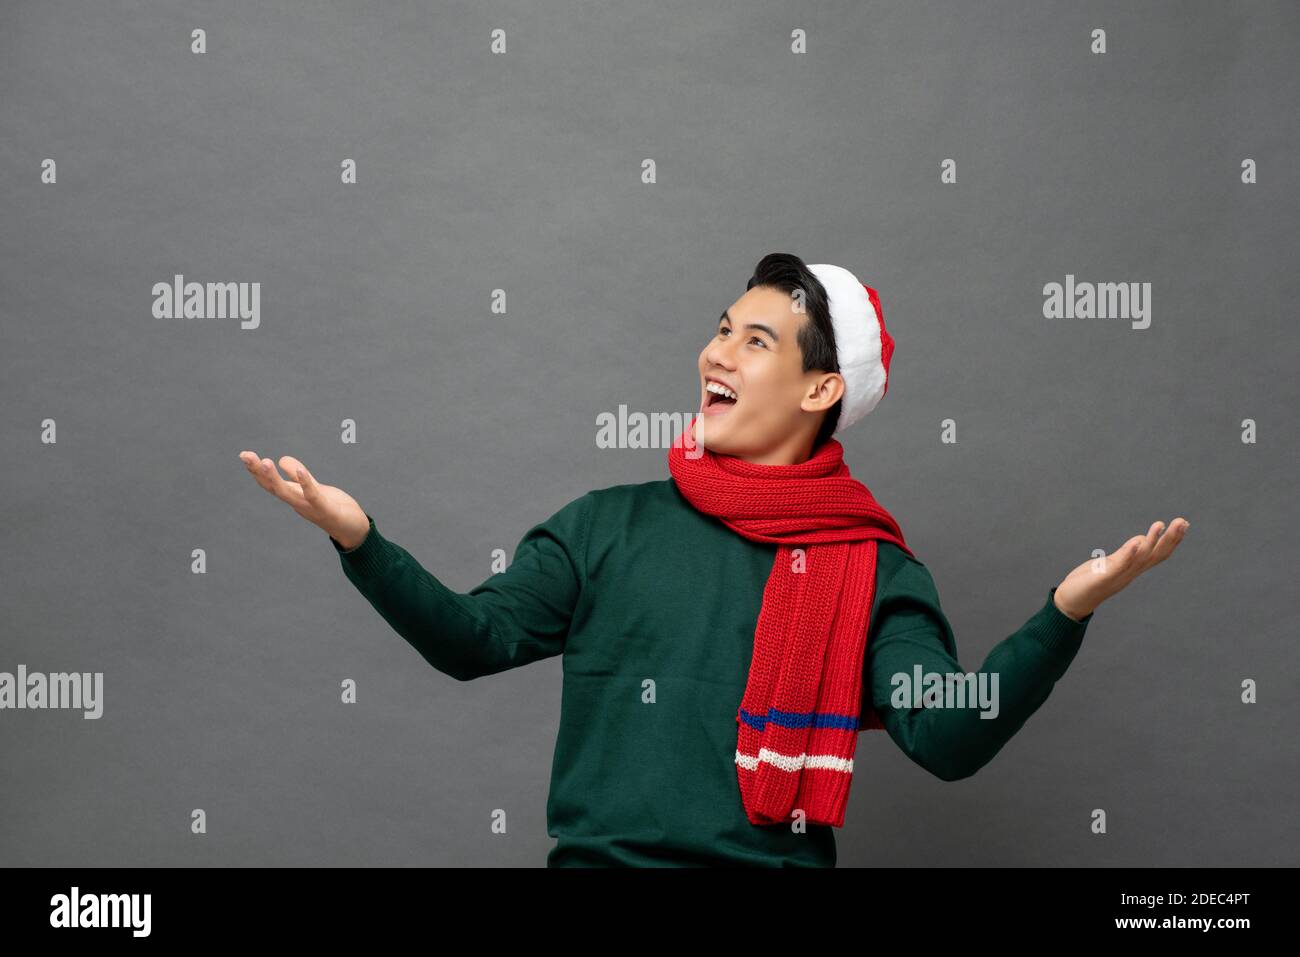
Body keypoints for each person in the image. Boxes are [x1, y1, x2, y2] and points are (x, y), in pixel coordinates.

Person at [238, 252, 1188, 867]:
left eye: (756, 338)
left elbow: (948, 738)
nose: (717, 352)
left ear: (823, 386)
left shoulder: (875, 567)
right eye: (722, 327)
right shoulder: (605, 526)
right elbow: (470, 638)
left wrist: (1062, 614)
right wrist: (361, 539)